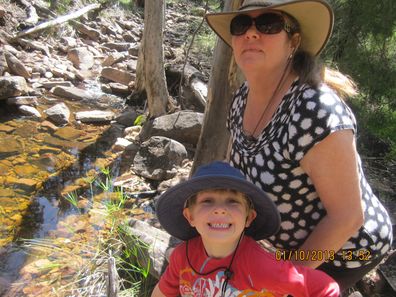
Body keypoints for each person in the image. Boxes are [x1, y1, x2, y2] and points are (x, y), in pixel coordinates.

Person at [205, 0, 393, 294]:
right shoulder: (243, 96)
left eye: (268, 24)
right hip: (290, 243)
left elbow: (347, 218)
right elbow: (235, 172)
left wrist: (284, 276)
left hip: (350, 250)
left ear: (293, 41)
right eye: (241, 25)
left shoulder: (317, 111)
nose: (251, 34)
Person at [152, 161, 340, 297]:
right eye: (207, 201)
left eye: (232, 202)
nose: (220, 209)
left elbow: (326, 288)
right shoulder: (181, 256)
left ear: (248, 218)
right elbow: (164, 292)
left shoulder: (263, 266)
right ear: (190, 217)